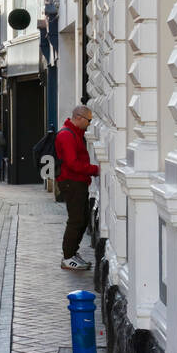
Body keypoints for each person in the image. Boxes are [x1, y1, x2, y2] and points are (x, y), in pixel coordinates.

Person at [55, 105, 98, 271]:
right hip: (72, 182)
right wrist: (94, 170)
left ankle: (72, 253)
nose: (89, 124)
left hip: (77, 181)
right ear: (79, 117)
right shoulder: (67, 135)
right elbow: (72, 163)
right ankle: (68, 257)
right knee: (76, 220)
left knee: (82, 218)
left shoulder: (74, 134)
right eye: (89, 120)